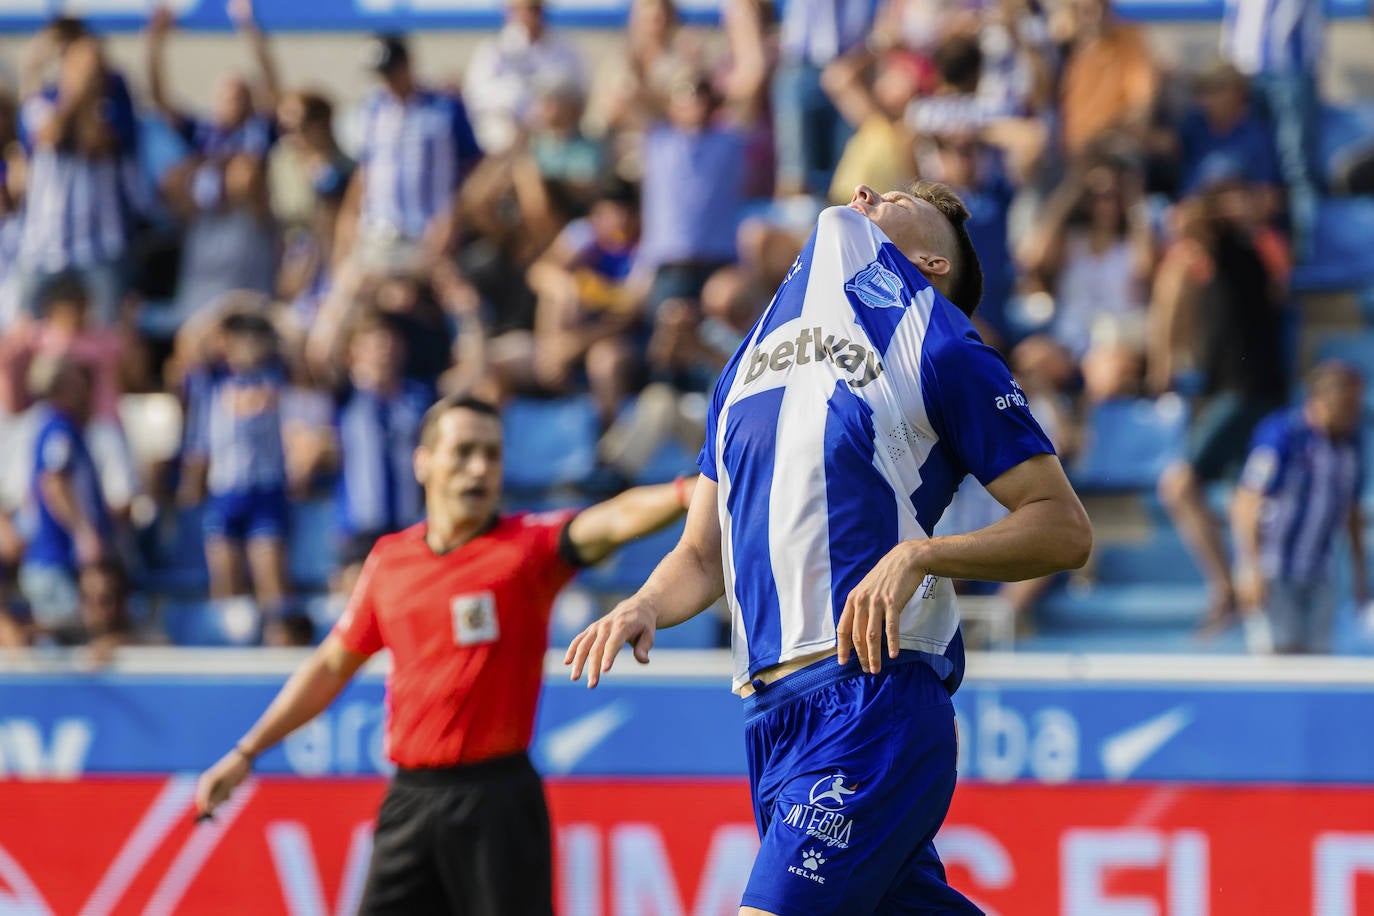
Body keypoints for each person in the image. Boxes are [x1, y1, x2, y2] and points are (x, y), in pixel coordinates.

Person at [568, 182, 1092, 915]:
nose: (870, 191)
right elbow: (700, 552)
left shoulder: (938, 340)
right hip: (772, 720)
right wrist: (646, 603)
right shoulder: (745, 363)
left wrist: (922, 556)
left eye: (901, 197)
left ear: (932, 261)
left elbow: (1063, 526)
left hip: (871, 699)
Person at [194, 395, 696, 915]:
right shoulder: (390, 561)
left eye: (492, 454)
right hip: (410, 801)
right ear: (424, 461)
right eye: (463, 452)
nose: (479, 467)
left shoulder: (527, 549)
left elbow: (611, 520)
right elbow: (328, 667)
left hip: (497, 804)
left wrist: (688, 493)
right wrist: (247, 752)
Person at [1231, 362, 1366, 654]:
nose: (1356, 411)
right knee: (1278, 660)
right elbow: (1246, 501)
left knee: (1317, 664)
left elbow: (1352, 511)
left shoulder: (1351, 445)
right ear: (1322, 401)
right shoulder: (1283, 434)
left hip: (1320, 571)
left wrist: (1360, 572)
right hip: (1274, 568)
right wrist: (1250, 568)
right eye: (1348, 403)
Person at [339, 33, 483, 275]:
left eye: (392, 72)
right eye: (382, 75)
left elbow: (474, 167)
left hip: (429, 231)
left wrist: (453, 219)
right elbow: (366, 171)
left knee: (457, 296)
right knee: (349, 294)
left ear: (407, 65)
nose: (388, 81)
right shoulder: (374, 109)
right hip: (380, 232)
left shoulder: (445, 108)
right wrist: (349, 221)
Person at [18, 356, 113, 637]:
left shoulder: (56, 427)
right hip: (54, 560)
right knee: (67, 640)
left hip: (56, 561)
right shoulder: (59, 429)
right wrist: (84, 532)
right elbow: (54, 483)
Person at [463, 0, 585, 156]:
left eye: (534, 9)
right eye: (520, 9)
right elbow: (476, 97)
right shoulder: (492, 50)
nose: (528, 15)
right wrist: (519, 104)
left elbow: (580, 96)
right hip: (502, 146)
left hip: (556, 146)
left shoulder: (566, 50)